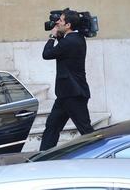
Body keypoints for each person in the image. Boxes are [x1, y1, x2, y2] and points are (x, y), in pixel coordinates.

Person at [39, 9, 93, 151]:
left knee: (86, 131)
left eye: (61, 20)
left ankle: (104, 158)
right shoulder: (76, 38)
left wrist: (52, 36)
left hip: (74, 95)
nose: (57, 22)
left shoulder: (71, 42)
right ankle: (42, 160)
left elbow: (47, 54)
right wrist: (58, 35)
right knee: (52, 127)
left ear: (68, 25)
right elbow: (63, 47)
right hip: (65, 94)